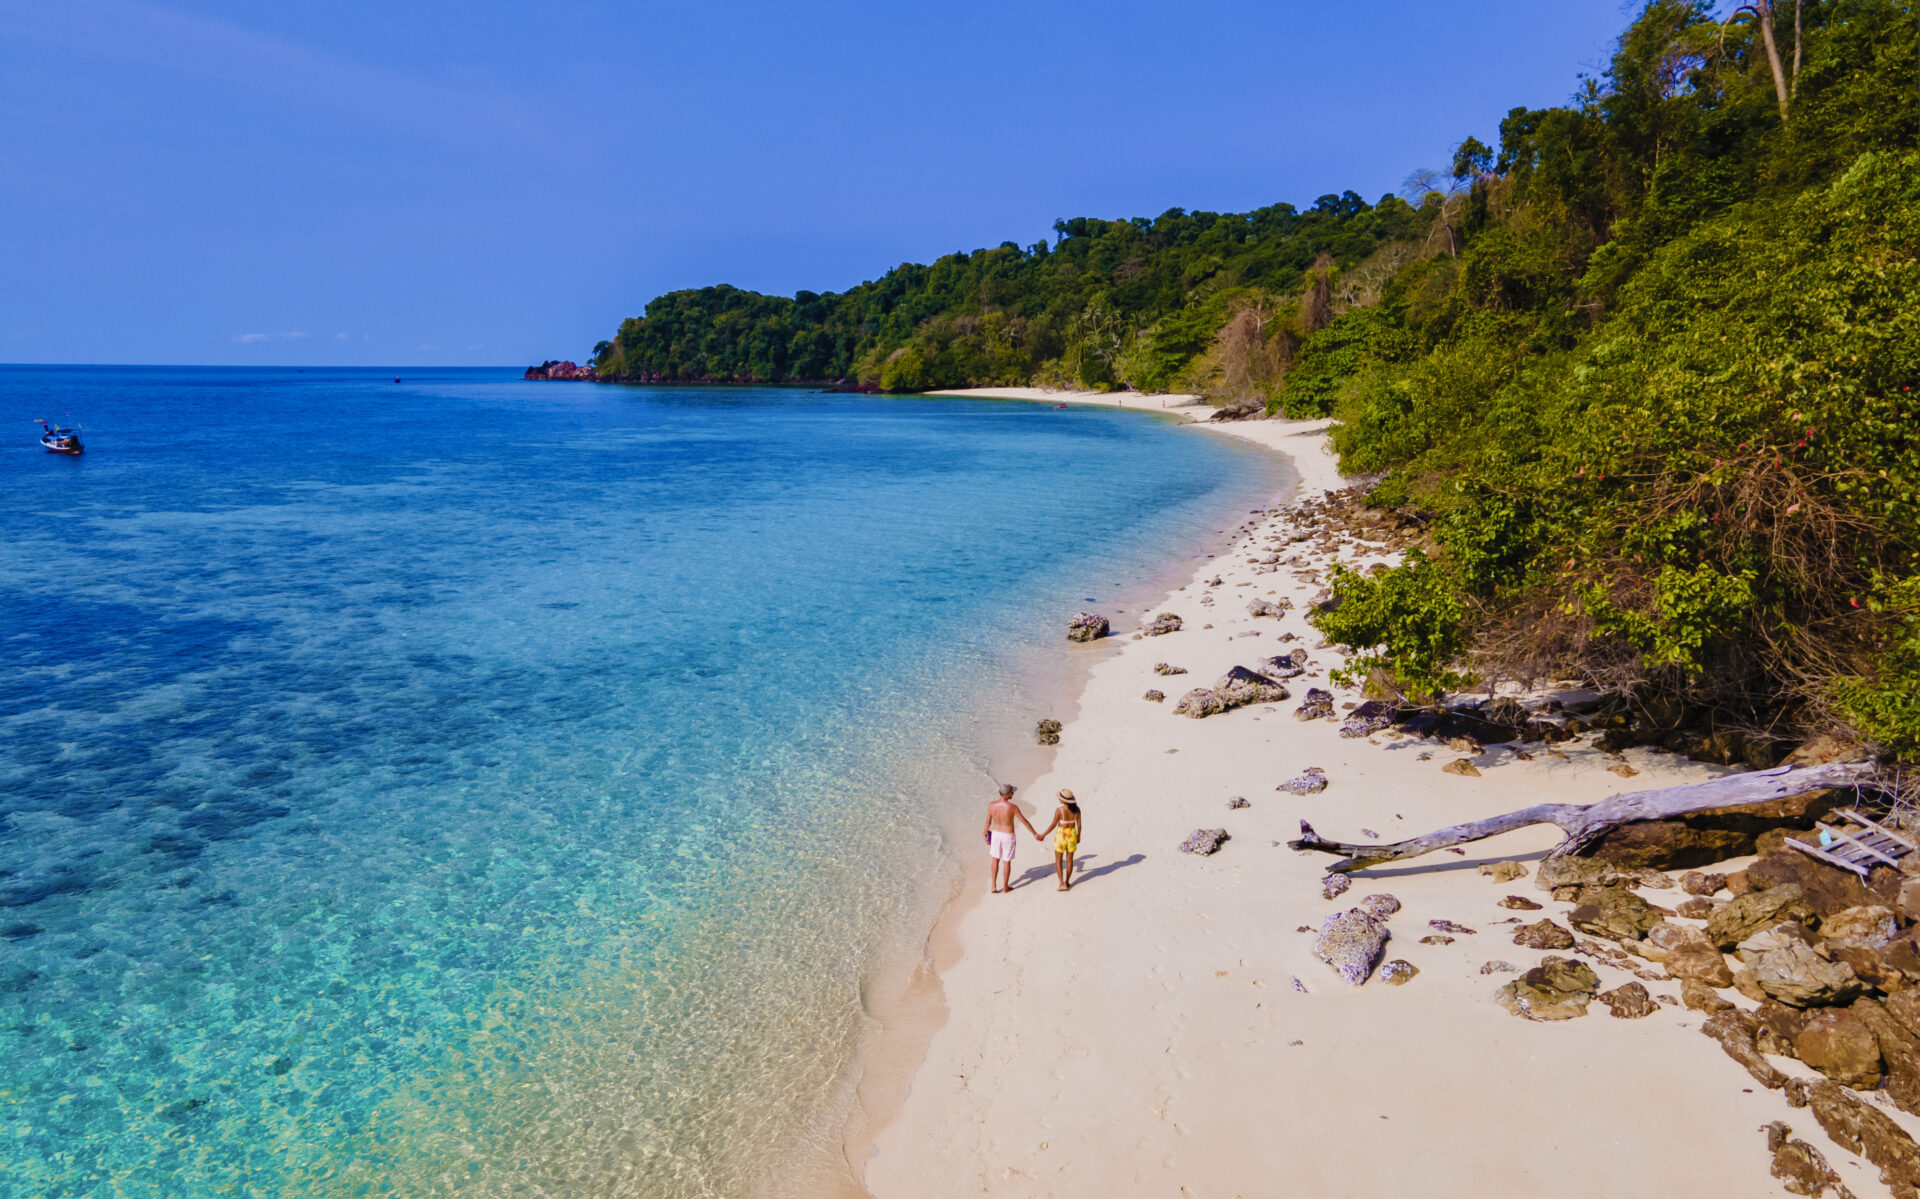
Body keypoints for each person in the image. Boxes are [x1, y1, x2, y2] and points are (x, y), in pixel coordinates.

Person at [983, 783, 1039, 895]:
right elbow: (1024, 821)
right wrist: (1034, 833)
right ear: (1007, 794)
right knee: (1006, 861)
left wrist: (985, 834)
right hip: (1007, 835)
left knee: (995, 859)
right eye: (1012, 792)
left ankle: (994, 886)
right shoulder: (1012, 807)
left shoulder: (991, 805)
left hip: (996, 834)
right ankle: (1005, 887)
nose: (1013, 793)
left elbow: (988, 822)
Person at [1034, 788, 1084, 890]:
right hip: (1072, 835)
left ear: (1065, 800)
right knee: (1070, 861)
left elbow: (1053, 825)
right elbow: (1079, 825)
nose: (1059, 799)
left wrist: (1043, 835)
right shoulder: (1077, 810)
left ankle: (1061, 883)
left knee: (1058, 860)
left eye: (1060, 798)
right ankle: (1067, 882)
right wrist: (1079, 836)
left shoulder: (1059, 810)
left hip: (1061, 836)